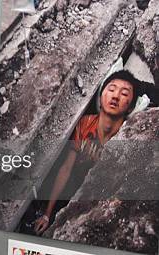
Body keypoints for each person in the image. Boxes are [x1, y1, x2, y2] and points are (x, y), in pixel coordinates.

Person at [33, 70, 141, 235]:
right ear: (101, 95)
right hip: (71, 189)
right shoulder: (85, 123)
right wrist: (47, 214)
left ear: (131, 106)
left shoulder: (127, 138)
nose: (116, 96)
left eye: (124, 93)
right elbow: (66, 168)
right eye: (111, 89)